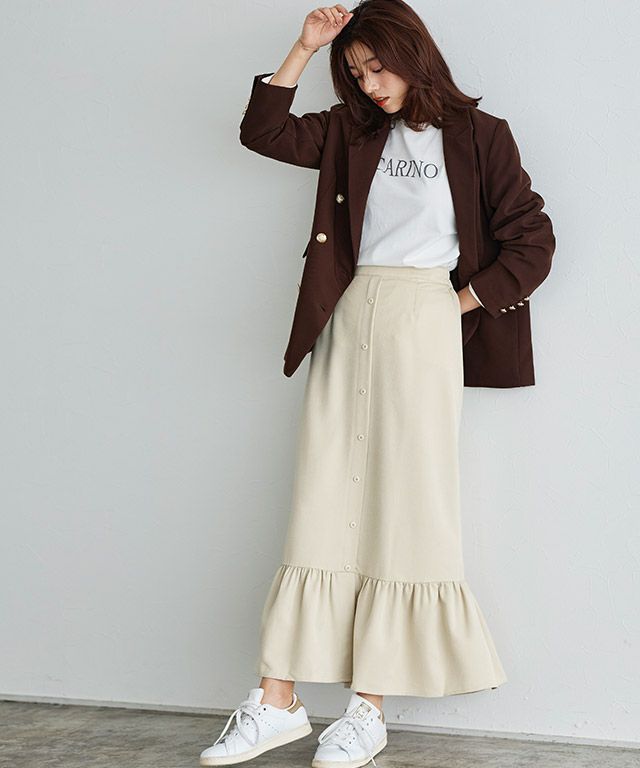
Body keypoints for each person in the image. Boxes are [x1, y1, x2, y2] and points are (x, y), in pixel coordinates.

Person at [201, 1, 555, 766]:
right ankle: (277, 701)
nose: (369, 84)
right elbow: (262, 132)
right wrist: (304, 48)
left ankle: (369, 709)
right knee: (321, 495)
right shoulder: (348, 131)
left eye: (377, 68)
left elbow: (532, 238)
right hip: (348, 312)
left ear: (413, 54)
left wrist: (454, 304)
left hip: (424, 318)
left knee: (406, 504)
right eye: (357, 73)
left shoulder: (480, 136)